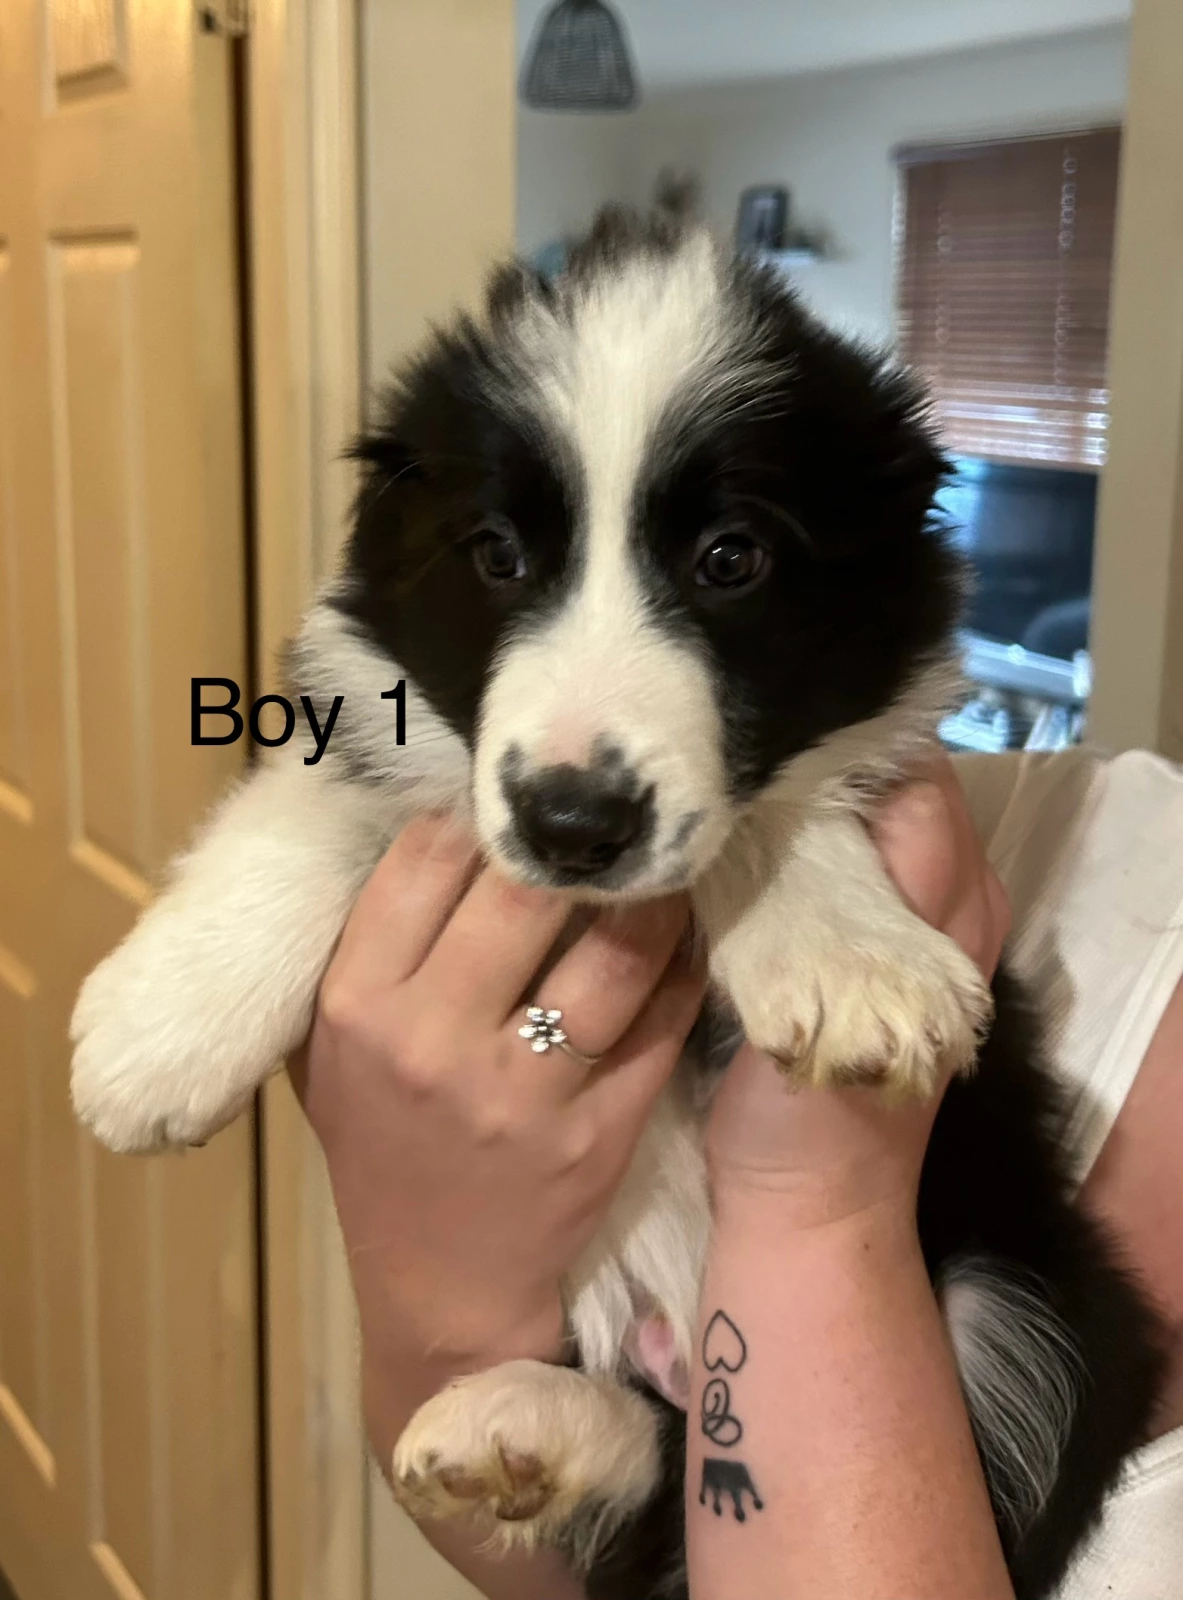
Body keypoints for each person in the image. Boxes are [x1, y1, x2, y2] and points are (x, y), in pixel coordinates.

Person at [293, 748, 1183, 1600]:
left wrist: (812, 1201)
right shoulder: (1039, 821)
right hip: (620, 1441)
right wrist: (444, 1311)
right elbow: (498, 1508)